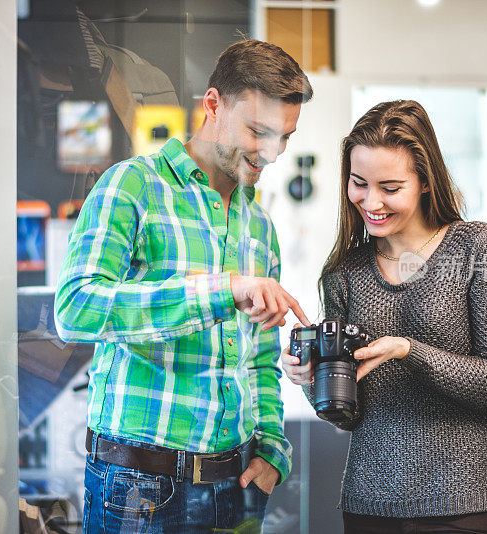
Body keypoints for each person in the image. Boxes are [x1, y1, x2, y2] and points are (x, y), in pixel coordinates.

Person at [54, 39, 313, 534]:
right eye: (258, 131)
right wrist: (222, 290)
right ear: (212, 105)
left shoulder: (259, 226)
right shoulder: (132, 186)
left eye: (284, 137)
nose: (272, 153)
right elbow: (77, 307)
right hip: (140, 488)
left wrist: (273, 448)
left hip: (237, 486)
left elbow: (260, 358)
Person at [282, 100, 487, 534]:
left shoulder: (478, 247)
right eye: (359, 184)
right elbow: (347, 416)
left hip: (463, 505)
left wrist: (408, 351)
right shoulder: (344, 273)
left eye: (390, 188)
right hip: (370, 505)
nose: (371, 201)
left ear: (426, 182)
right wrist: (314, 378)